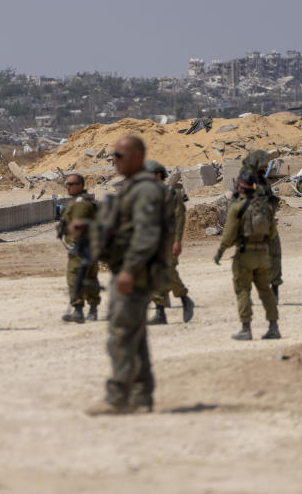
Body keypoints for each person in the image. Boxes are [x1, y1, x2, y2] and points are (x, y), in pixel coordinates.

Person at [86, 136, 166, 415]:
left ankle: (117, 397)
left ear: (136, 156)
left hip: (136, 273)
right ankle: (141, 396)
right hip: (131, 269)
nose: (114, 160)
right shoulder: (133, 189)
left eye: (119, 155)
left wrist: (130, 269)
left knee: (120, 334)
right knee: (136, 336)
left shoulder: (145, 190)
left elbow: (146, 234)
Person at [214, 170, 281, 341]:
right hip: (264, 254)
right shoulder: (265, 206)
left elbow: (228, 236)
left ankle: (246, 329)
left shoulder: (237, 207)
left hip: (245, 255)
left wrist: (220, 252)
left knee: (243, 291)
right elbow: (273, 233)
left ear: (241, 186)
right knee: (266, 291)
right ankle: (274, 328)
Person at [143, 160, 195, 325]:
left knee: (169, 272)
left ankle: (184, 298)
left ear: (158, 175)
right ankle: (160, 312)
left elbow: (180, 218)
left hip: (168, 240)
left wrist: (178, 241)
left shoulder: (172, 195)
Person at [237, 149, 283, 301]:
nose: (265, 167)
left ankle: (274, 289)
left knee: (274, 255)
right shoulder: (248, 181)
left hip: (266, 224)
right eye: (263, 165)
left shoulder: (262, 181)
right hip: (252, 226)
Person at [58, 173, 101, 323]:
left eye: (71, 184)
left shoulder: (80, 204)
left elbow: (79, 226)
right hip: (89, 247)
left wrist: (75, 245)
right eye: (67, 184)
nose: (67, 187)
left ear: (80, 185)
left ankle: (78, 311)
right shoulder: (82, 201)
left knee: (74, 277)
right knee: (90, 278)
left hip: (81, 248)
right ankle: (92, 310)